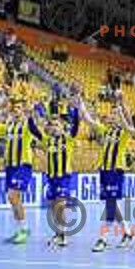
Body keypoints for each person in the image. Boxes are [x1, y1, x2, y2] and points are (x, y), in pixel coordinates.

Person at [79, 94, 135, 252]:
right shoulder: (105, 130)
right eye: (111, 114)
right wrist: (80, 103)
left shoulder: (124, 132)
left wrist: (122, 103)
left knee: (110, 204)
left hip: (115, 171)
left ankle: (102, 239)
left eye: (115, 114)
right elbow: (89, 120)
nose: (112, 116)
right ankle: (127, 232)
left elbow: (130, 122)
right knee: (111, 203)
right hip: (104, 171)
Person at [0, 100, 41, 244]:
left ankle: (24, 229)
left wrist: (31, 114)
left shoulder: (26, 126)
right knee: (12, 199)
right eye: (14, 109)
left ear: (22, 111)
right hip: (10, 166)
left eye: (19, 108)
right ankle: (20, 229)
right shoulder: (8, 127)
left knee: (13, 196)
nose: (15, 111)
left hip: (22, 165)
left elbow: (35, 128)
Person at [34, 99, 81, 248]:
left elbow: (75, 127)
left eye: (57, 125)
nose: (54, 127)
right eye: (52, 125)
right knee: (54, 206)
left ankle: (63, 234)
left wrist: (76, 111)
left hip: (64, 177)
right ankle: (58, 232)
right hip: (51, 177)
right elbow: (34, 131)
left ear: (62, 127)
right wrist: (31, 115)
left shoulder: (68, 140)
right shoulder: (47, 141)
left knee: (60, 204)